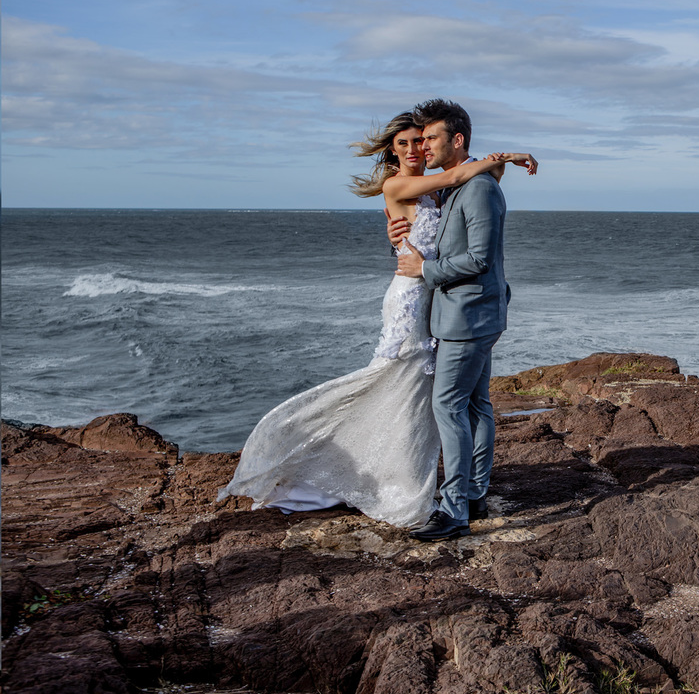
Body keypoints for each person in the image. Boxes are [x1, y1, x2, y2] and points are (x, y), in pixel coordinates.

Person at [217, 111, 535, 527]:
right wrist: (504, 158)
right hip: (414, 300)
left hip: (443, 301)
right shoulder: (406, 184)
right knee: (405, 382)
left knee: (437, 399)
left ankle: (452, 492)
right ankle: (369, 470)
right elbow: (455, 188)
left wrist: (497, 164)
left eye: (421, 140)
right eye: (405, 143)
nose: (416, 148)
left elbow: (455, 227)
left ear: (449, 141)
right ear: (391, 151)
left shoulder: (452, 190)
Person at [393, 98, 514, 542]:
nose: (423, 146)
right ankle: (475, 492)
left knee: (447, 405)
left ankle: (454, 509)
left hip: (468, 315)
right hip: (475, 312)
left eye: (430, 138)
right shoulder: (458, 187)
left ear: (456, 140)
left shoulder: (478, 190)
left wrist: (424, 271)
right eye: (418, 139)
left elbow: (479, 258)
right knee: (476, 404)